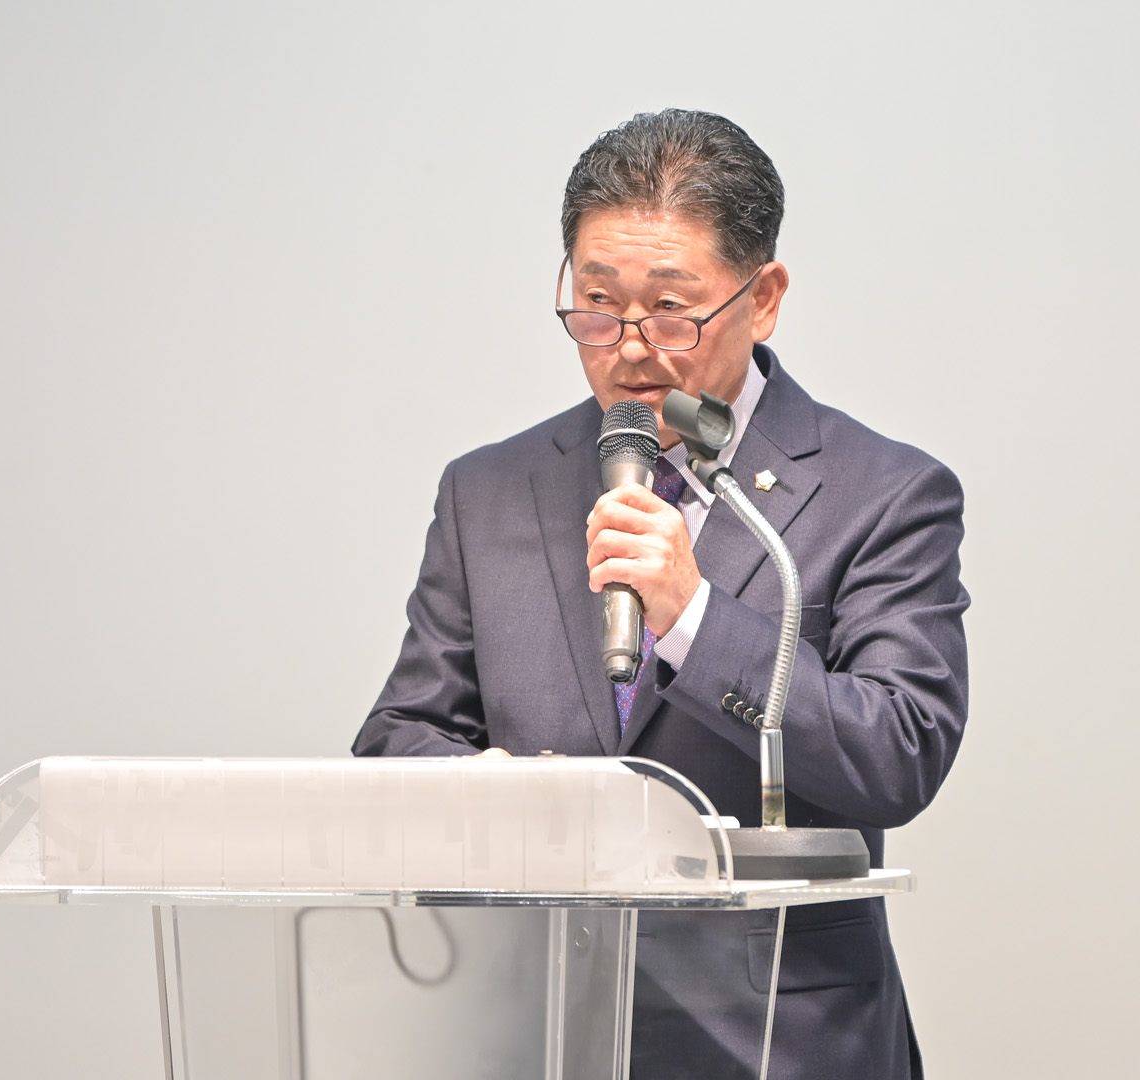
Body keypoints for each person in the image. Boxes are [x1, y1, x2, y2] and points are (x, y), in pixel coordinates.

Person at [353, 108, 969, 1080]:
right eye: (597, 306)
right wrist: (490, 797)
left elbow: (900, 751)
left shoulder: (883, 491)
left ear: (763, 298)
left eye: (672, 311)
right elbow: (400, 737)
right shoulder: (490, 490)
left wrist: (697, 620)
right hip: (543, 1032)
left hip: (777, 1041)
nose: (631, 350)